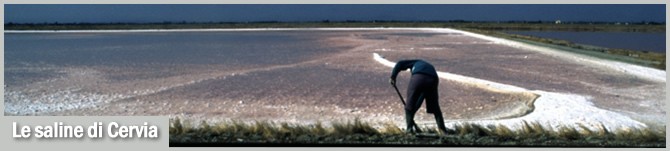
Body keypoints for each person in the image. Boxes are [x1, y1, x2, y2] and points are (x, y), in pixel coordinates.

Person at [389, 59, 448, 134]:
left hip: (418, 77)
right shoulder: (427, 65)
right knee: (435, 108)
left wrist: (393, 77)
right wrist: (415, 108)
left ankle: (409, 130)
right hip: (433, 79)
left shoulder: (414, 62)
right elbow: (421, 97)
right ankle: (443, 131)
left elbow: (400, 63)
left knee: (409, 106)